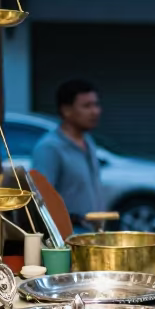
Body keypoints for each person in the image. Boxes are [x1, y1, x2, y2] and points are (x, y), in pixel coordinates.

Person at [31, 79, 104, 229]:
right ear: (66, 110)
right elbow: (40, 200)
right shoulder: (50, 148)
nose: (95, 111)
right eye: (87, 106)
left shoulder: (88, 141)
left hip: (90, 234)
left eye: (96, 105)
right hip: (67, 238)